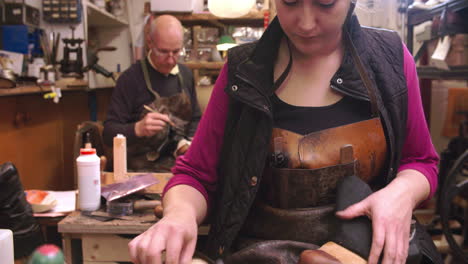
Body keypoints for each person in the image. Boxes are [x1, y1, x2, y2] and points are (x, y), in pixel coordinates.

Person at [128, 1, 441, 264]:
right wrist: (180, 214)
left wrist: (401, 193)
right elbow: (195, 174)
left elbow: (421, 161)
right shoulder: (241, 71)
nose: (305, 23)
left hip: (363, 253)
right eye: (290, 1)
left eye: (325, 2)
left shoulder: (390, 60)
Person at [103, 15, 202, 172]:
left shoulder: (186, 74)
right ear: (150, 43)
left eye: (176, 52)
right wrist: (138, 129)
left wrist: (187, 144)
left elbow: (196, 119)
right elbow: (108, 134)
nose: (170, 60)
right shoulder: (130, 79)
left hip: (179, 165)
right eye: (163, 52)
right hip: (140, 170)